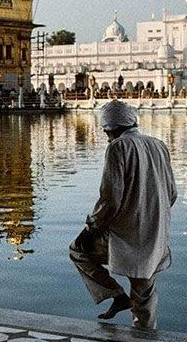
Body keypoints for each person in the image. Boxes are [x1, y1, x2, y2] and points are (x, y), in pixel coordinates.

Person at [70, 100, 177, 329]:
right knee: (144, 291)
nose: (107, 137)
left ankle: (116, 295)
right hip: (154, 233)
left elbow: (110, 200)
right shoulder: (158, 144)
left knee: (78, 250)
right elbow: (172, 194)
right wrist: (151, 213)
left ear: (109, 129)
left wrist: (90, 229)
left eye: (106, 132)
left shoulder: (118, 148)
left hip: (126, 235)